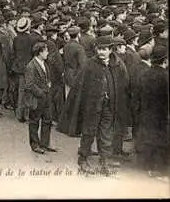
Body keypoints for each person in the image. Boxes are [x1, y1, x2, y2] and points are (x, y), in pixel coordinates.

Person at [68, 36, 128, 175]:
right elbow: (80, 86)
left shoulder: (118, 65)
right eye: (99, 49)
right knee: (88, 132)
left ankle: (105, 160)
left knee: (106, 133)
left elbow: (123, 84)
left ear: (111, 49)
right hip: (92, 106)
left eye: (104, 49)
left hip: (109, 106)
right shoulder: (90, 64)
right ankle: (83, 159)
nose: (101, 52)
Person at [136, 45, 169, 180]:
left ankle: (147, 165)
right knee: (162, 141)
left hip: (146, 112)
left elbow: (137, 95)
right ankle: (160, 169)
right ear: (165, 60)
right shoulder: (166, 77)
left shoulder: (144, 74)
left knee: (148, 138)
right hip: (162, 115)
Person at [24, 42, 57, 154]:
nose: (47, 53)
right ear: (40, 52)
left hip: (46, 97)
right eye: (46, 51)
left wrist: (48, 84)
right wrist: (41, 93)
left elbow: (46, 77)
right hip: (37, 99)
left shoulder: (44, 63)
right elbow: (29, 84)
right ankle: (35, 144)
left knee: (47, 120)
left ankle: (45, 143)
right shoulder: (31, 66)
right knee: (34, 121)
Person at [63, 26, 87, 99]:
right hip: (76, 75)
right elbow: (83, 64)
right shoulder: (79, 47)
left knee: (68, 98)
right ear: (78, 34)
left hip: (67, 75)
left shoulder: (66, 46)